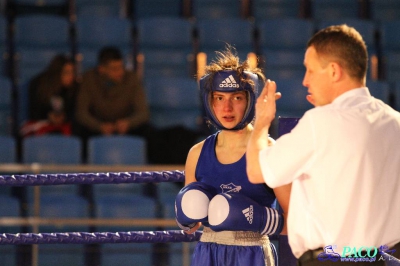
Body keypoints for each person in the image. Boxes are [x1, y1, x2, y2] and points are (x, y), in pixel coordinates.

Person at [246, 24, 400, 266]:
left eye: (310, 70)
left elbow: (256, 170)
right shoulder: (395, 122)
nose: (305, 81)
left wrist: (262, 121)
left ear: (333, 71)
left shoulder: (320, 123)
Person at [175, 46, 291, 266]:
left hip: (252, 253)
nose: (226, 107)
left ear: (250, 99)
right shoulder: (197, 153)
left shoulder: (268, 150)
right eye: (219, 98)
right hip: (207, 252)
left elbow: (296, 221)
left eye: (236, 97)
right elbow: (191, 225)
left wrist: (258, 218)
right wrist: (185, 219)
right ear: (209, 102)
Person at [74, 46, 151, 138]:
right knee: (78, 130)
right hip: (97, 126)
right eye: (115, 69)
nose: (120, 72)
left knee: (148, 131)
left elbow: (143, 113)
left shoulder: (131, 79)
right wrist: (99, 126)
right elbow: (81, 113)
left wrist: (128, 123)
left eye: (121, 67)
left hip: (126, 126)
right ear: (101, 69)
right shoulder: (88, 79)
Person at [21, 54, 78, 137]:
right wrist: (48, 116)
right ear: (57, 72)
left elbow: (73, 112)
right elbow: (34, 112)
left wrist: (63, 117)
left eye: (72, 72)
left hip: (62, 127)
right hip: (41, 125)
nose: (71, 76)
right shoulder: (39, 84)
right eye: (67, 73)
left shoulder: (73, 88)